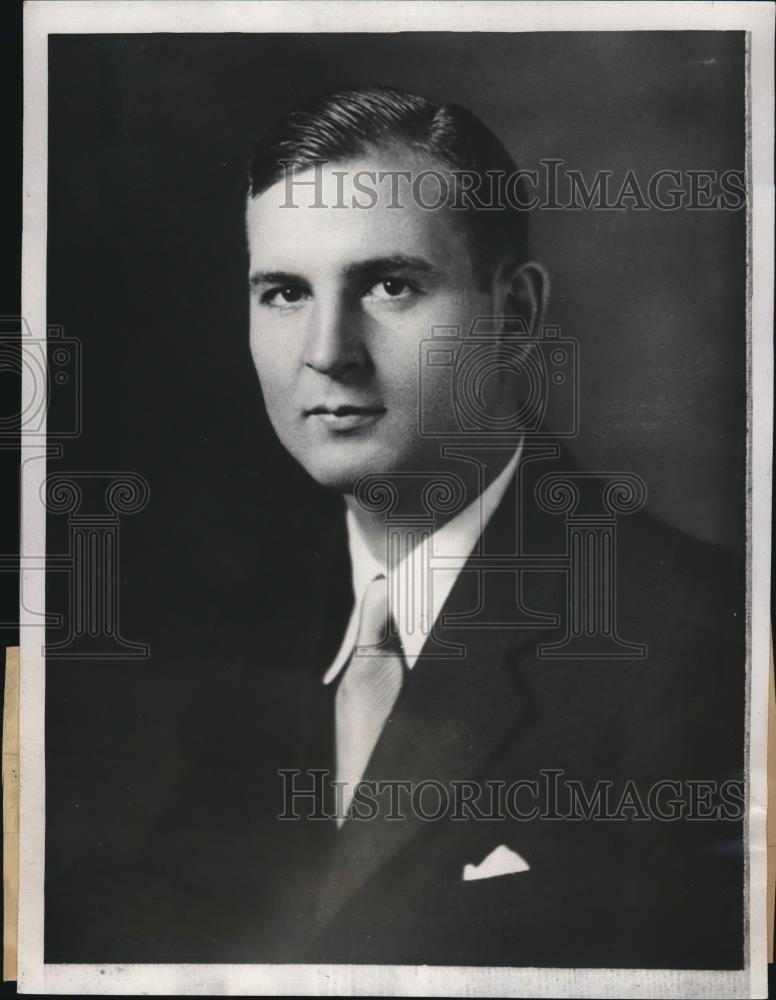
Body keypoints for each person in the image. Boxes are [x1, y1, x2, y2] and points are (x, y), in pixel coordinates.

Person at [237, 86, 745, 968]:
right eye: (284, 292)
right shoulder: (206, 634)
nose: (327, 351)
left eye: (390, 285)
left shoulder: (701, 642)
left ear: (516, 314)